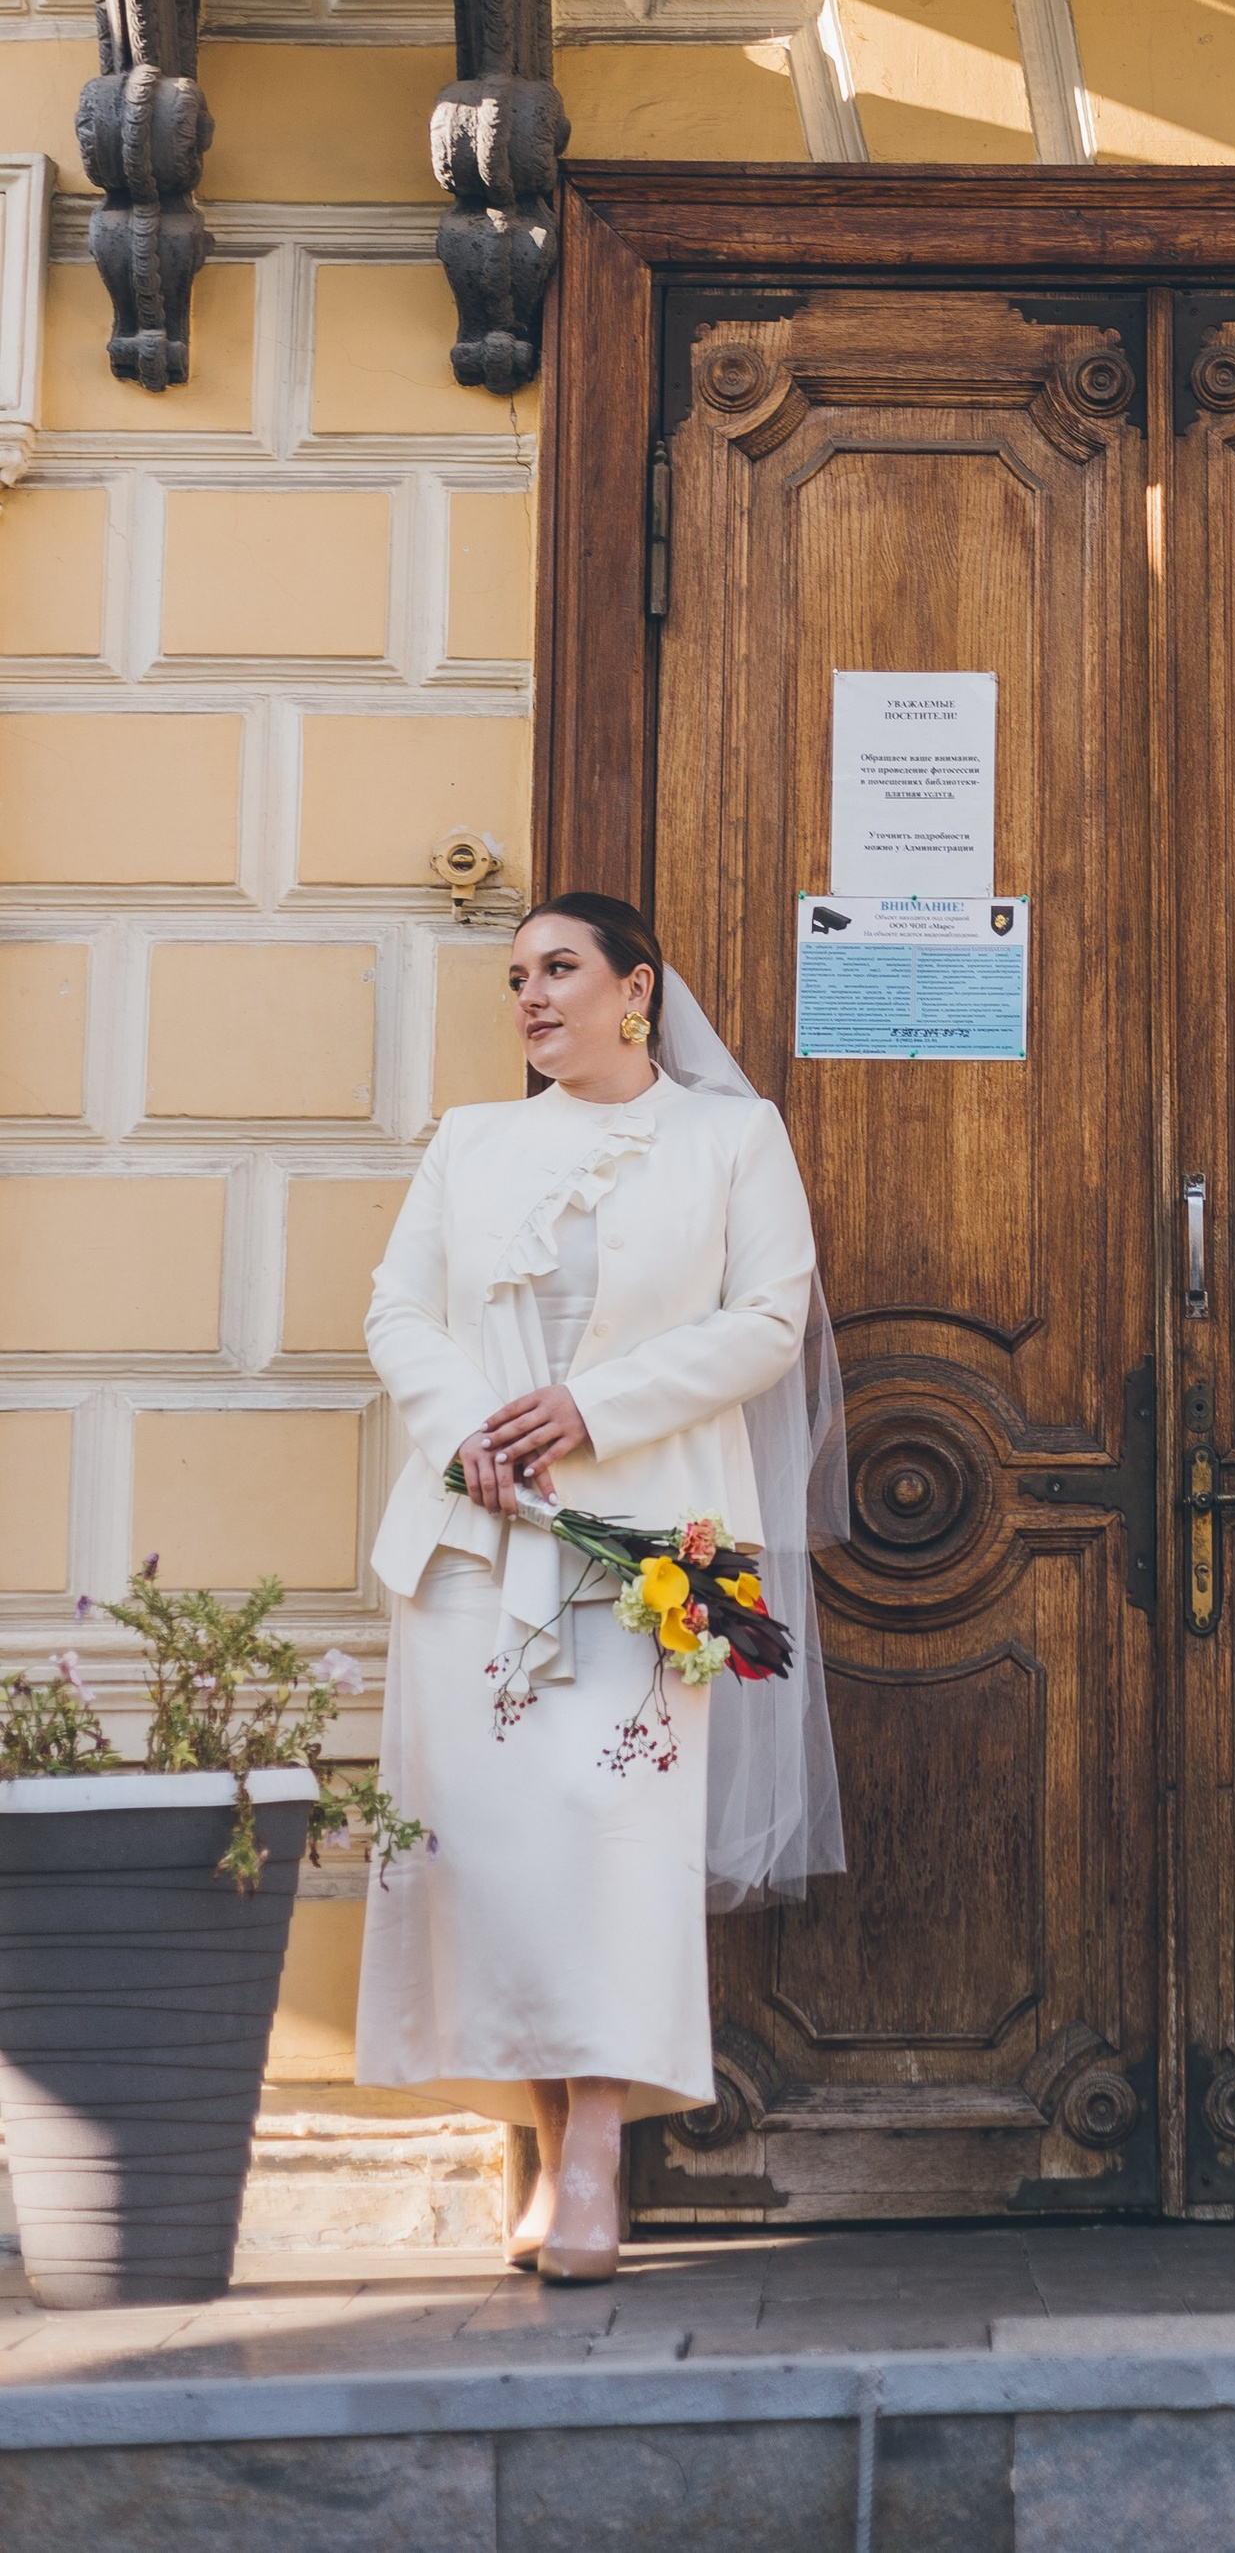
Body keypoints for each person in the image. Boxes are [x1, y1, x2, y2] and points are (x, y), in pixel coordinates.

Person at [356, 893, 845, 2284]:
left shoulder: (731, 1137)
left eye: (560, 969)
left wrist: (591, 1407)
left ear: (640, 989)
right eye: (516, 976)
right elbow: (398, 1307)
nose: (531, 996)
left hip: (651, 1558)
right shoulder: (473, 1141)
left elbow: (768, 1321)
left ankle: (590, 2159)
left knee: (613, 1851)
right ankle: (541, 2135)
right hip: (474, 1544)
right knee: (497, 1861)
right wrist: (472, 1428)